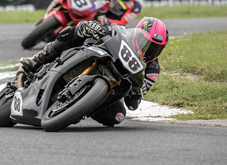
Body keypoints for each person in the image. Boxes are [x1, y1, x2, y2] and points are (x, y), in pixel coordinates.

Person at [17, 17, 168, 127]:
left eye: (156, 47)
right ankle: (38, 59)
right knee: (75, 32)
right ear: (138, 32)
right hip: (94, 56)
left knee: (117, 116)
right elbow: (95, 26)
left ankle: (78, 108)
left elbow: (133, 103)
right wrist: (90, 27)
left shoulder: (152, 70)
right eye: (148, 43)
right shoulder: (121, 31)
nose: (150, 49)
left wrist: (135, 95)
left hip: (113, 85)